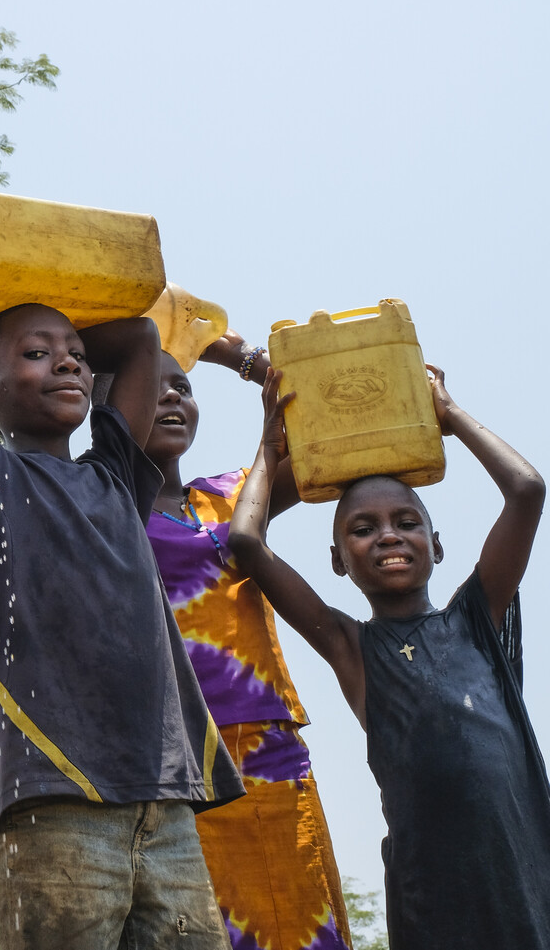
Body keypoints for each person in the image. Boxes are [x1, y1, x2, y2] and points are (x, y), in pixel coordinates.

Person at [0, 173, 243, 950]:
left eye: (74, 353)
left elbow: (138, 338)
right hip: (51, 801)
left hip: (163, 803)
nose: (68, 363)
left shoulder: (115, 474)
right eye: (36, 354)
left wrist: (46, 323)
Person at [229, 367, 550, 949]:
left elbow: (527, 489)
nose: (388, 536)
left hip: (528, 878)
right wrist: (269, 447)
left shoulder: (476, 620)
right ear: (337, 559)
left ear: (437, 544)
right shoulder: (349, 647)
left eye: (407, 523)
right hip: (432, 899)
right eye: (363, 528)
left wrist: (448, 414)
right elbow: (247, 541)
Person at [142, 341, 349, 950]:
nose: (172, 395)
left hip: (268, 750)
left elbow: (331, 428)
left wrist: (240, 358)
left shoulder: (232, 494)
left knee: (303, 925)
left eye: (181, 384)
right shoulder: (97, 503)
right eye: (147, 385)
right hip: (170, 761)